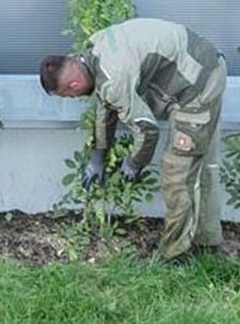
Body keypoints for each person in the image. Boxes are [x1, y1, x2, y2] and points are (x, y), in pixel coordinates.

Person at [40, 17, 226, 260]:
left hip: (199, 84)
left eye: (68, 95)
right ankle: (204, 242)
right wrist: (99, 155)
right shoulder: (93, 49)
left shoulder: (113, 78)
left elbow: (147, 129)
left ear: (73, 85)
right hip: (194, 66)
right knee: (195, 167)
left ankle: (175, 255)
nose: (73, 99)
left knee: (177, 174)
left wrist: (134, 163)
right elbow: (105, 105)